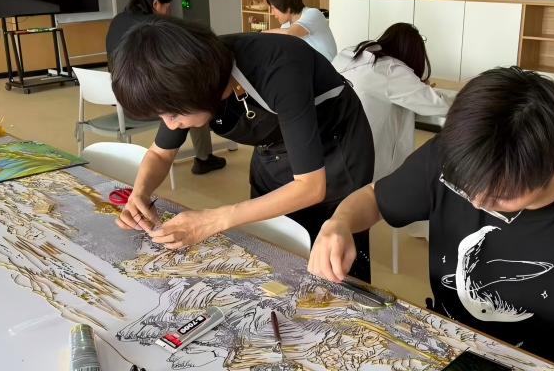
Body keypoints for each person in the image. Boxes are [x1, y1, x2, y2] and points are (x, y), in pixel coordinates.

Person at [308, 67, 554, 370]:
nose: (473, 200)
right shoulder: (457, 159)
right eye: (464, 188)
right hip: (449, 344)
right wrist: (339, 223)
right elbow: (375, 199)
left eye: (498, 197)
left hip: (548, 359)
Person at [110, 17, 375, 281]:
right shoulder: (186, 81)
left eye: (172, 115)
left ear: (199, 91)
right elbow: (159, 153)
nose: (170, 124)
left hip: (334, 147)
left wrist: (213, 220)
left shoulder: (278, 67)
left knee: (329, 253)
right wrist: (140, 194)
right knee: (273, 241)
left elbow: (311, 187)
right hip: (273, 147)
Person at [105, 0, 226, 175]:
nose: (170, 12)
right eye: (167, 7)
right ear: (155, 4)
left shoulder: (118, 20)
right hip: (150, 101)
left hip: (123, 99)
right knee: (193, 92)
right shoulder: (157, 28)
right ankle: (204, 157)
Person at [332, 23, 450, 181]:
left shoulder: (348, 56)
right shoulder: (390, 71)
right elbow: (440, 105)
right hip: (367, 163)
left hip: (334, 151)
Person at [263, 0, 337, 61]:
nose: (272, 13)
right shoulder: (285, 26)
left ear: (287, 6)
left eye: (273, 8)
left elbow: (290, 33)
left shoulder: (313, 14)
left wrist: (261, 34)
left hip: (328, 66)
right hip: (308, 65)